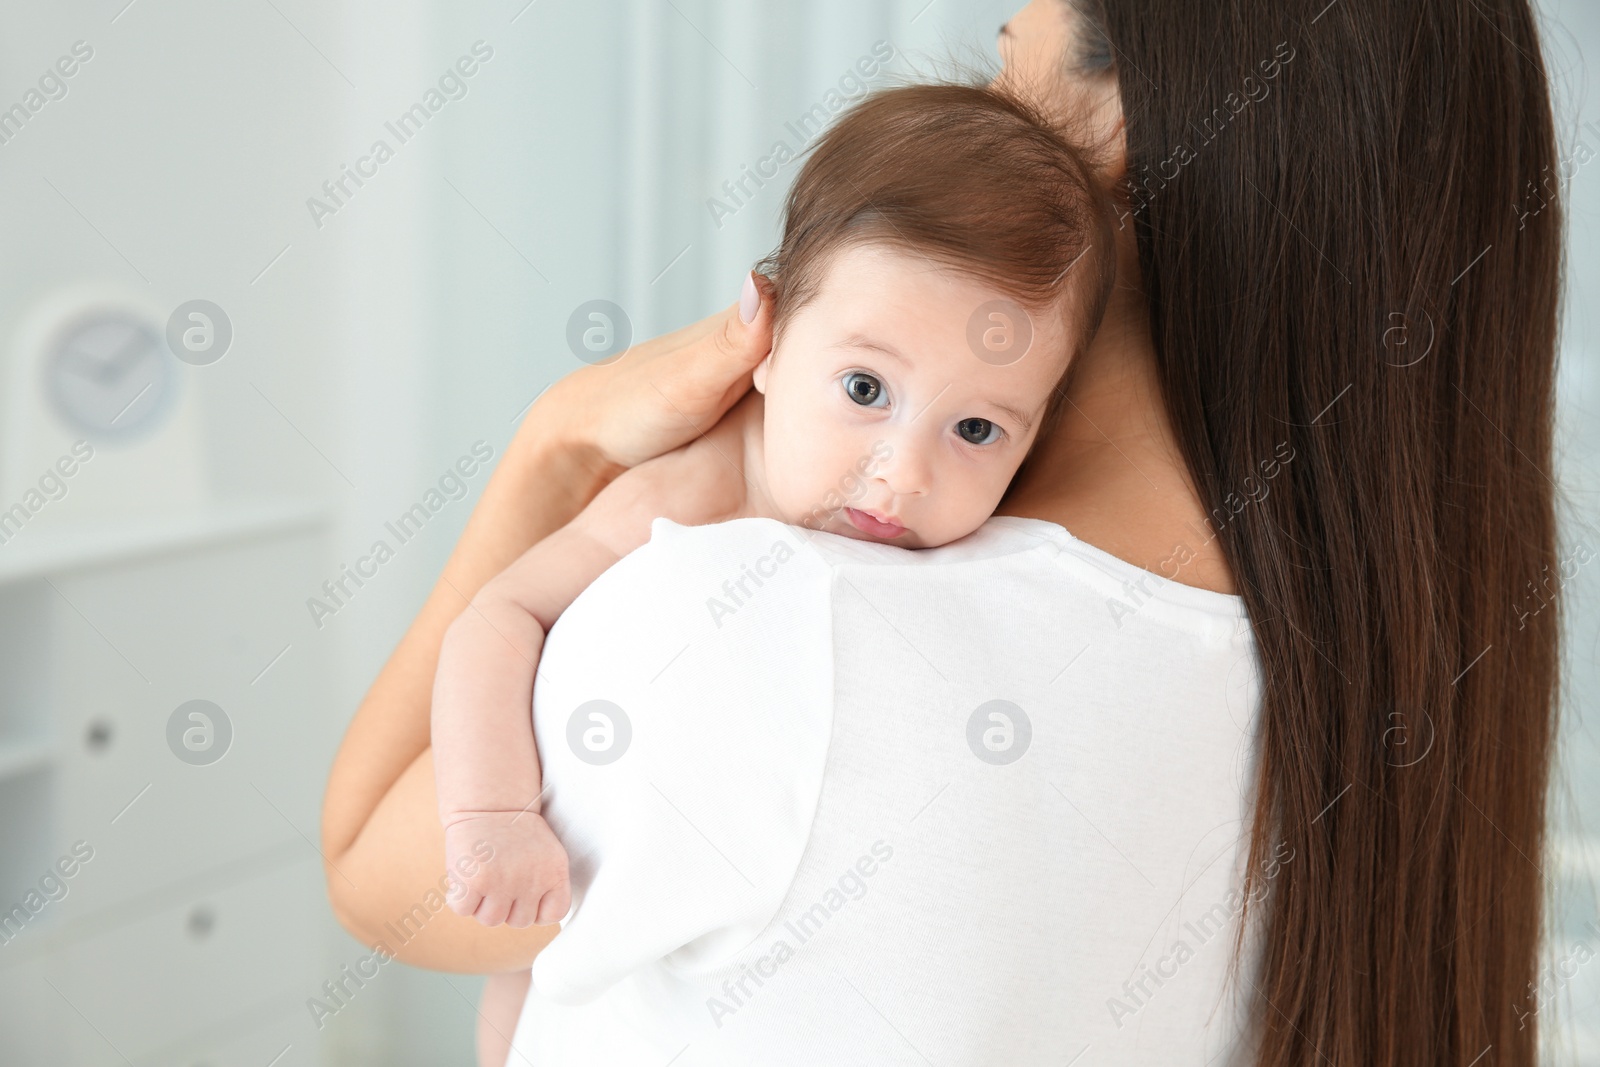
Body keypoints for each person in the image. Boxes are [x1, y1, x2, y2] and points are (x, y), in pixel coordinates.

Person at [320, 1, 1565, 1065]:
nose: (980, 112)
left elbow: (370, 870)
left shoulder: (763, 623)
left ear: (1118, 118)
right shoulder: (1381, 675)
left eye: (999, 64)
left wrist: (557, 444)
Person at [429, 78, 1118, 1040]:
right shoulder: (691, 492)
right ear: (766, 339)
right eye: (865, 386)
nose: (902, 470)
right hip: (565, 876)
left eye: (976, 427)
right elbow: (497, 619)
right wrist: (491, 815)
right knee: (518, 997)